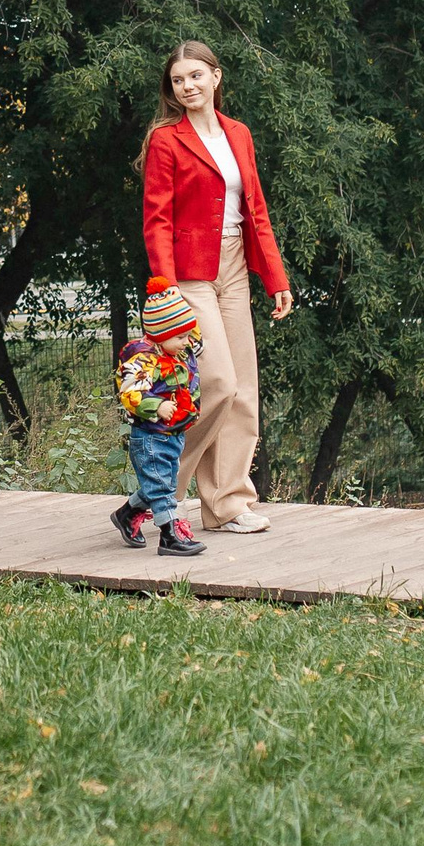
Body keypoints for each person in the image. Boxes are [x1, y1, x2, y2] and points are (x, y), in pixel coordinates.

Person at [140, 40, 294, 535]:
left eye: (195, 76)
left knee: (244, 390)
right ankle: (156, 490)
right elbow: (156, 220)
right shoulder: (167, 140)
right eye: (178, 80)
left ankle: (226, 504)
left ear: (216, 77)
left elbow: (258, 210)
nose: (187, 86)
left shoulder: (239, 134)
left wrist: (276, 279)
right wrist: (165, 288)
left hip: (234, 270)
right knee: (218, 383)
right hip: (190, 273)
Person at [109, 277, 208, 556]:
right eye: (180, 337)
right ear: (159, 334)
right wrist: (155, 406)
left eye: (187, 335)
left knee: (158, 482)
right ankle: (170, 535)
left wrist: (173, 298)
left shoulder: (181, 347)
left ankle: (127, 514)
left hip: (174, 433)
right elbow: (130, 393)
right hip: (150, 437)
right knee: (163, 488)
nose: (187, 341)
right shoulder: (143, 360)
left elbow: (190, 330)